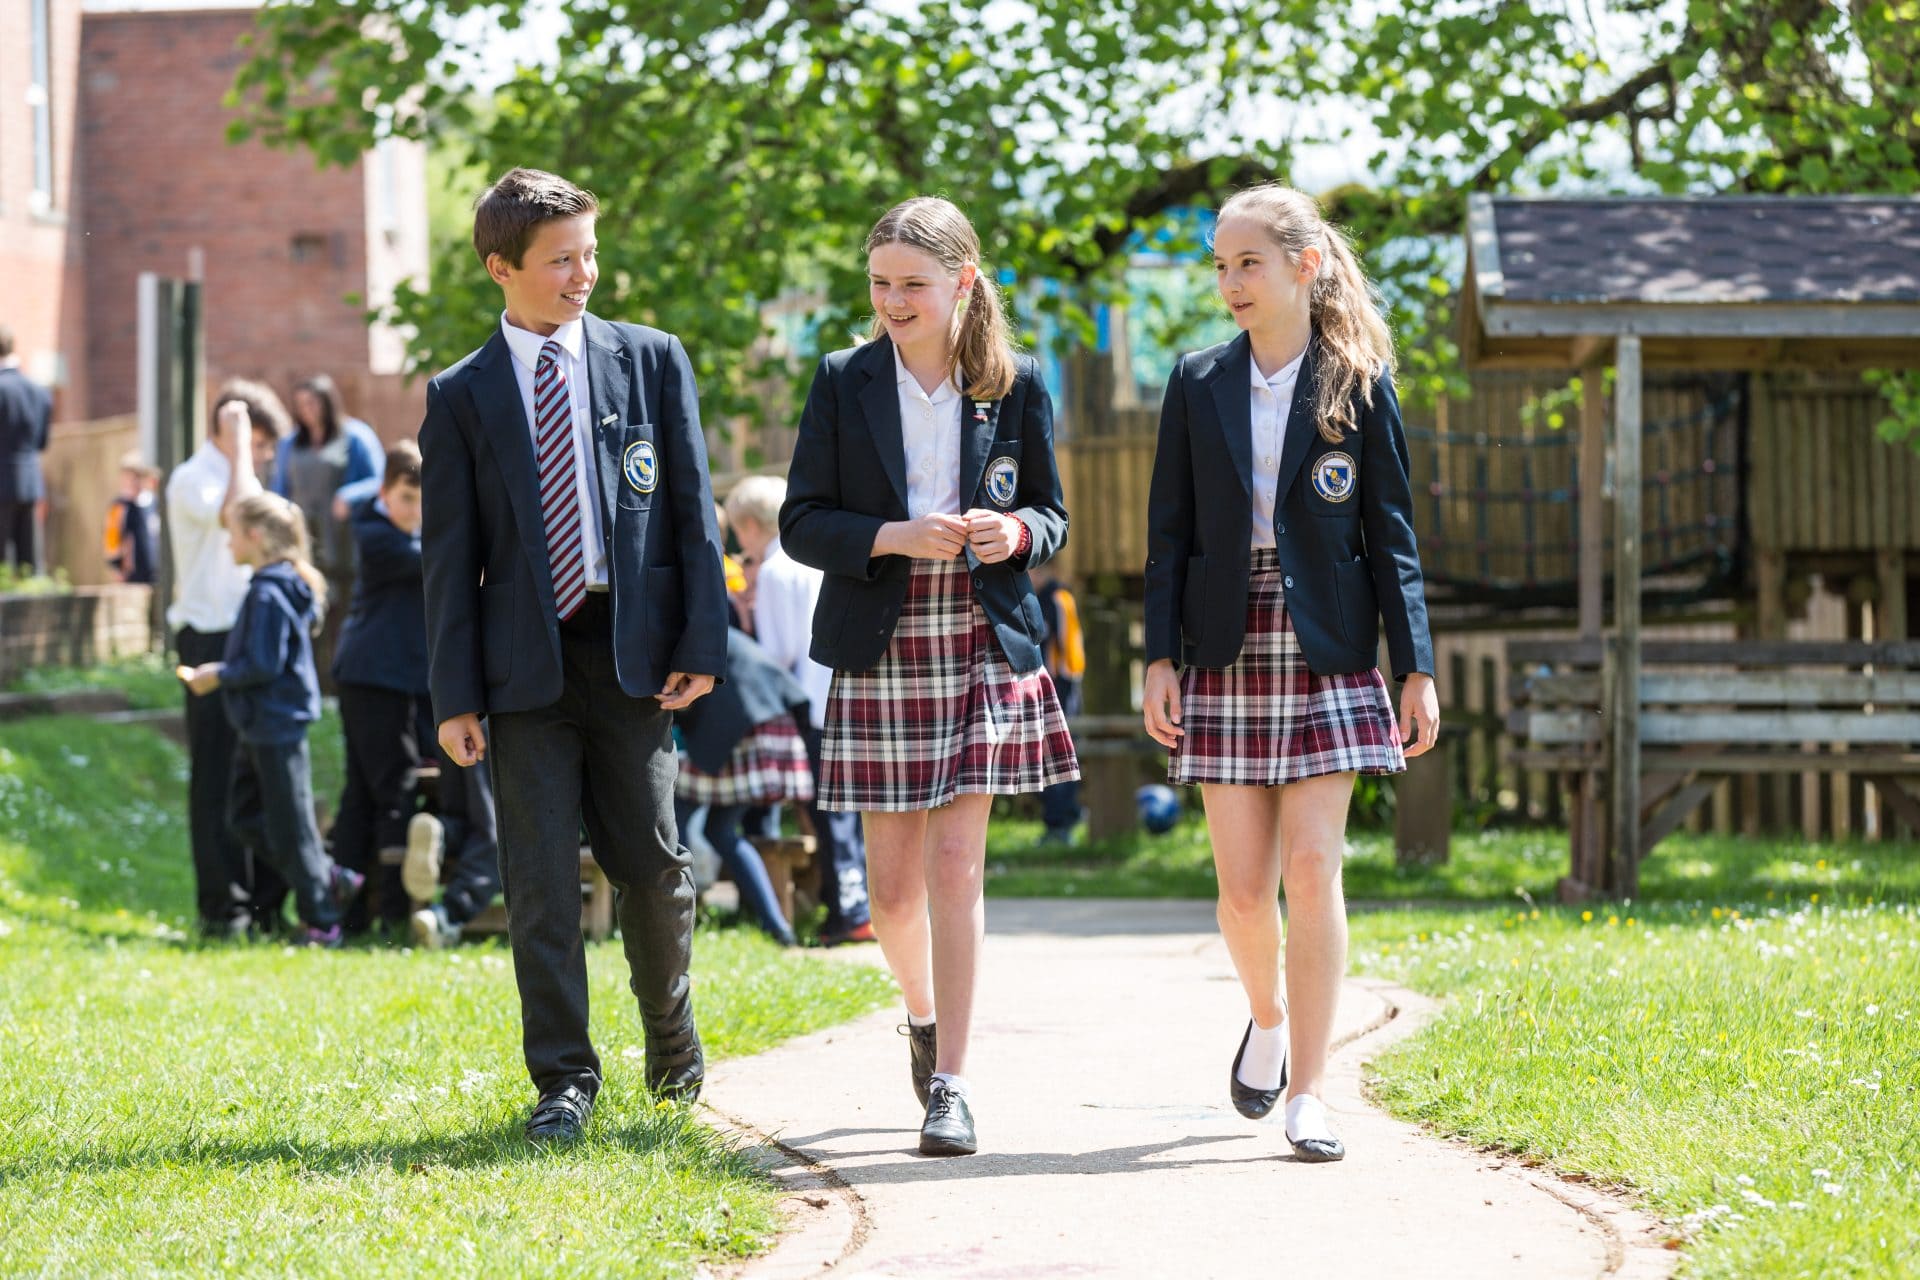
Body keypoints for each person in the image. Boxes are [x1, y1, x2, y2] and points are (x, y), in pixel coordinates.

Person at [419, 167, 727, 1143]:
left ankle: (670, 1034)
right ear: (500, 267)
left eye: (590, 253)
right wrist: (454, 695)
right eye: (562, 260)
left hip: (632, 652)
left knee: (652, 860)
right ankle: (564, 1078)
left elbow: (691, 515)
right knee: (540, 875)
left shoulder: (650, 360)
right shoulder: (460, 395)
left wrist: (701, 640)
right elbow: (449, 560)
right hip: (522, 671)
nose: (584, 273)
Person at [1141, 184, 1439, 1163]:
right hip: (1226, 642)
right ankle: (1264, 1017)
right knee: (1241, 890)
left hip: (1333, 644)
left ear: (1304, 266)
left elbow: (1392, 534)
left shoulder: (1359, 380)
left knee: (1313, 868)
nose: (1229, 281)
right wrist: (1157, 657)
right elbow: (1169, 535)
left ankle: (1311, 1088)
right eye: (1220, 265)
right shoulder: (1195, 382)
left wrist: (1417, 666)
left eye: (1247, 263)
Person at [781, 196, 1078, 1157]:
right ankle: (920, 1014)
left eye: (912, 283)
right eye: (880, 283)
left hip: (982, 637)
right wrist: (889, 536)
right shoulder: (842, 379)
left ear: (963, 281)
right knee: (892, 893)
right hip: (882, 634)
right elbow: (801, 521)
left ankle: (951, 1081)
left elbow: (1053, 514)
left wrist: (1020, 530)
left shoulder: (1015, 383)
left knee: (958, 867)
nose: (893, 300)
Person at [179, 476, 366, 947]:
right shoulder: (271, 586)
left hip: (275, 722)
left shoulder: (268, 592)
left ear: (256, 536)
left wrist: (216, 673)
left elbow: (263, 662)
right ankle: (329, 876)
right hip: (259, 723)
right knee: (242, 817)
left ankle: (323, 921)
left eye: (234, 533)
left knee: (291, 826)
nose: (228, 542)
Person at [166, 380, 293, 937]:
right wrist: (239, 443)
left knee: (258, 777)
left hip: (247, 635)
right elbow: (239, 514)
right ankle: (223, 910)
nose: (263, 455)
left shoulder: (241, 473)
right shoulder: (192, 478)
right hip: (208, 638)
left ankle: (266, 906)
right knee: (216, 776)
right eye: (261, 442)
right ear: (231, 427)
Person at [725, 474, 874, 945]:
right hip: (841, 690)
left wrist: (747, 621)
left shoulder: (772, 572)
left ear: (749, 525)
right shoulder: (809, 560)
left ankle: (847, 912)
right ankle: (855, 903)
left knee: (825, 810)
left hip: (807, 701)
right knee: (846, 808)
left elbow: (779, 651)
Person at [329, 440, 429, 933]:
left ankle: (350, 912)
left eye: (422, 500)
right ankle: (388, 910)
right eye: (406, 498)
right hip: (372, 677)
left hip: (389, 678)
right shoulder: (376, 534)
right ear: (384, 493)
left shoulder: (406, 533)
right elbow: (430, 561)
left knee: (366, 793)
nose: (415, 511)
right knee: (392, 788)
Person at [673, 626, 817, 947]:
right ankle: (777, 927)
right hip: (766, 720)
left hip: (745, 726)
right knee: (720, 830)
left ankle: (678, 918)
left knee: (675, 815)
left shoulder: (685, 633)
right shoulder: (710, 629)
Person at [274, 374, 382, 687]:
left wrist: (350, 495)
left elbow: (378, 481)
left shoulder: (356, 437)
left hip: (345, 542)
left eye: (312, 402)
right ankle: (315, 681)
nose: (306, 410)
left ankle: (344, 680)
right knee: (310, 607)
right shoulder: (290, 444)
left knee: (345, 610)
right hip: (305, 540)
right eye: (300, 405)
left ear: (327, 402)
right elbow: (280, 488)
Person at [1033, 569, 1087, 844]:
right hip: (1048, 687)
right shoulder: (1040, 597)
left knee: (1059, 755)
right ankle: (1062, 818)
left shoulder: (1058, 598)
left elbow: (1069, 653)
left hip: (1061, 688)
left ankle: (1061, 824)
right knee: (1044, 758)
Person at [0, 325, 54, 575]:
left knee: (3, 563)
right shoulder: (39, 391)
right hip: (31, 481)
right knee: (31, 558)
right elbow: (42, 442)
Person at [104, 451, 161, 585]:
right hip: (131, 575)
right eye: (128, 477)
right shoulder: (120, 506)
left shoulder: (152, 504)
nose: (133, 482)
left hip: (154, 573)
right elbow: (111, 540)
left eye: (137, 477)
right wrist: (117, 567)